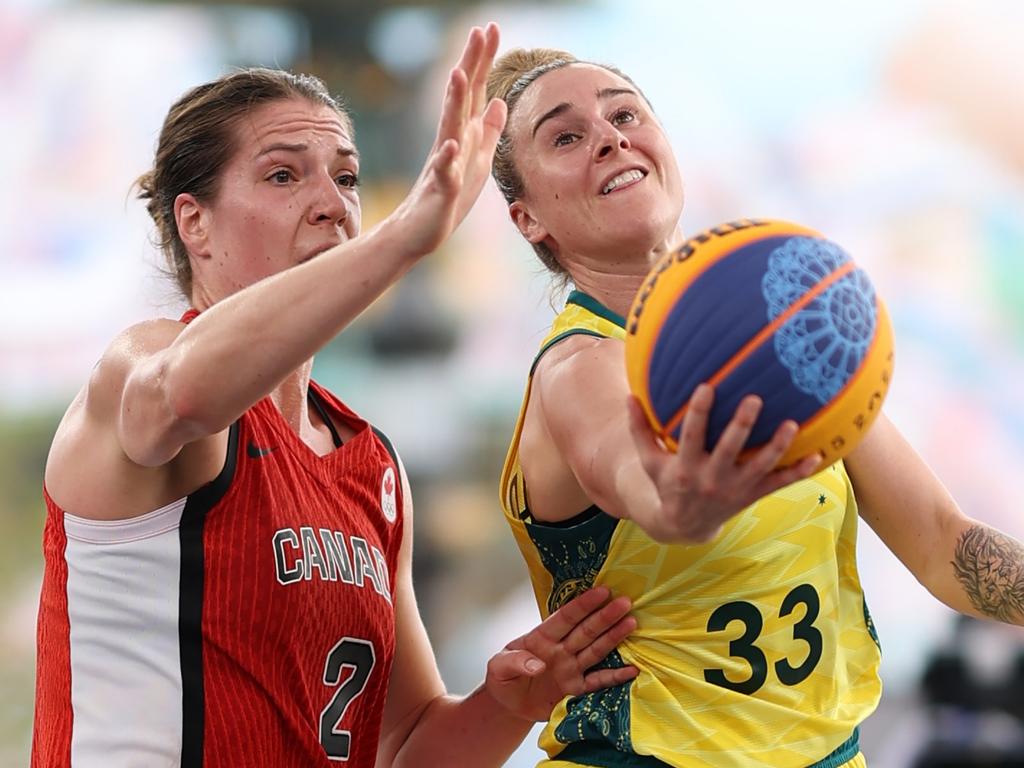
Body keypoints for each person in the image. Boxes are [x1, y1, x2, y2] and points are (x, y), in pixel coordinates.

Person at [31, 25, 642, 768]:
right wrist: (406, 236)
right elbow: (184, 397)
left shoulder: (372, 466)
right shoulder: (143, 365)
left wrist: (508, 701)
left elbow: (404, 745)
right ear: (195, 222)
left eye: (347, 178)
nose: (332, 203)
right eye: (284, 176)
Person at [486, 47, 1024, 768]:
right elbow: (644, 487)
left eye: (624, 113)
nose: (609, 137)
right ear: (528, 220)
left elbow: (941, 545)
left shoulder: (777, 335)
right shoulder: (578, 366)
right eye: (566, 136)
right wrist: (683, 507)